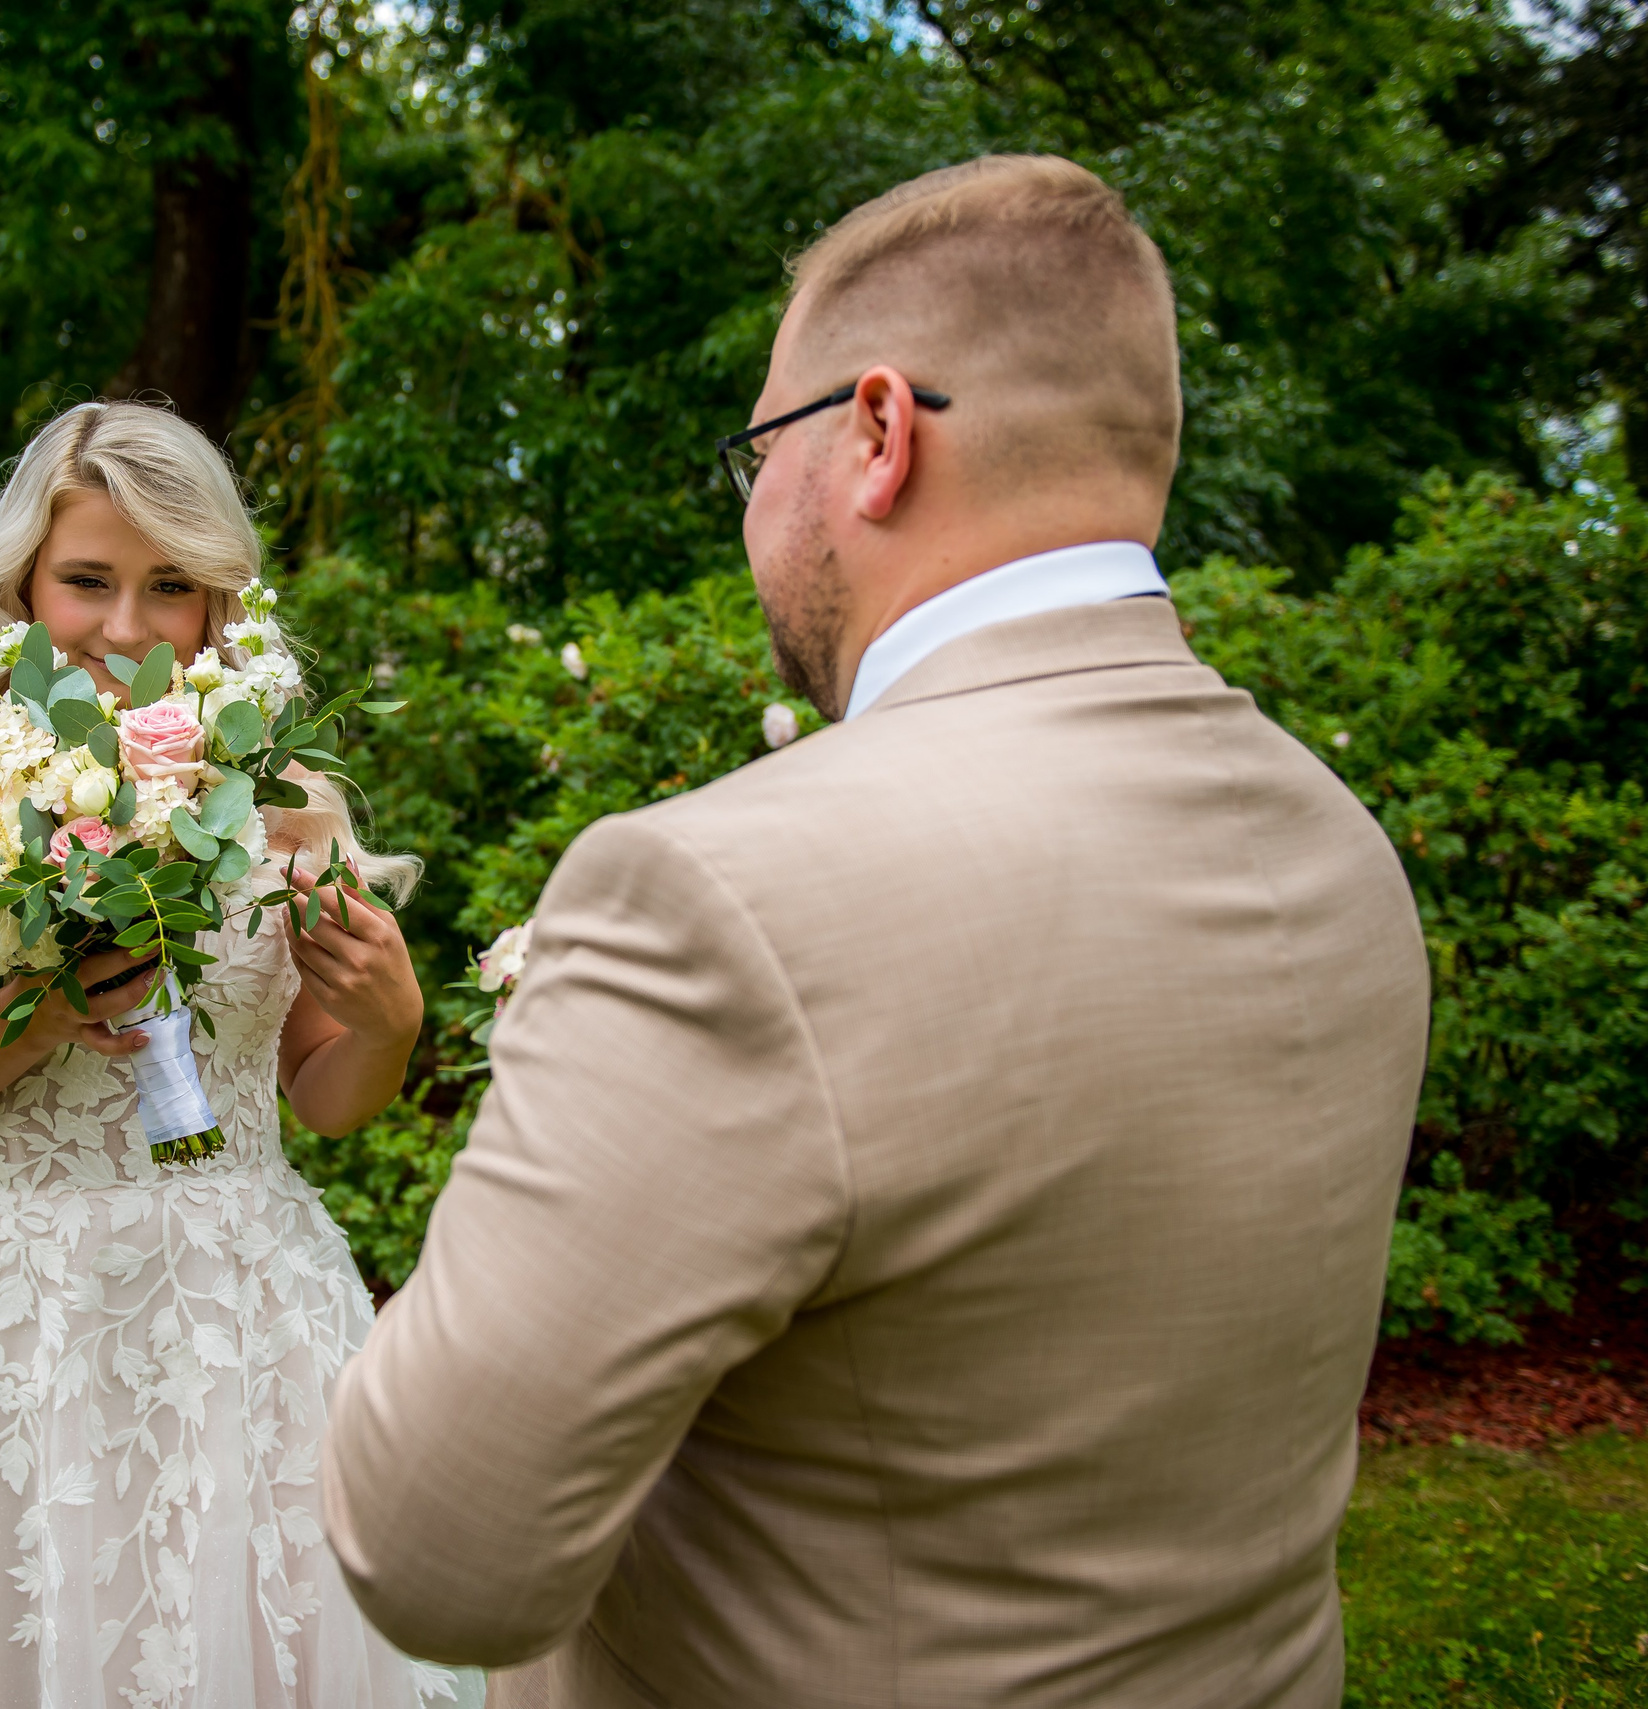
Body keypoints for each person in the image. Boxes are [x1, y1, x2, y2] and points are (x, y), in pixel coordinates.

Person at [323, 154, 1431, 1708]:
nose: (753, 507)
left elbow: (436, 1554)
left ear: (875, 431)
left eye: (757, 448)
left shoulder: (718, 896)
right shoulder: (1340, 840)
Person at [0, 400, 466, 1708]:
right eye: (89, 579)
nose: (129, 627)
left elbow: (325, 1097)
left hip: (233, 1333)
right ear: (22, 584)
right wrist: (20, 1017)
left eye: (172, 586)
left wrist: (386, 1023)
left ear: (220, 605)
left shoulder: (286, 802)